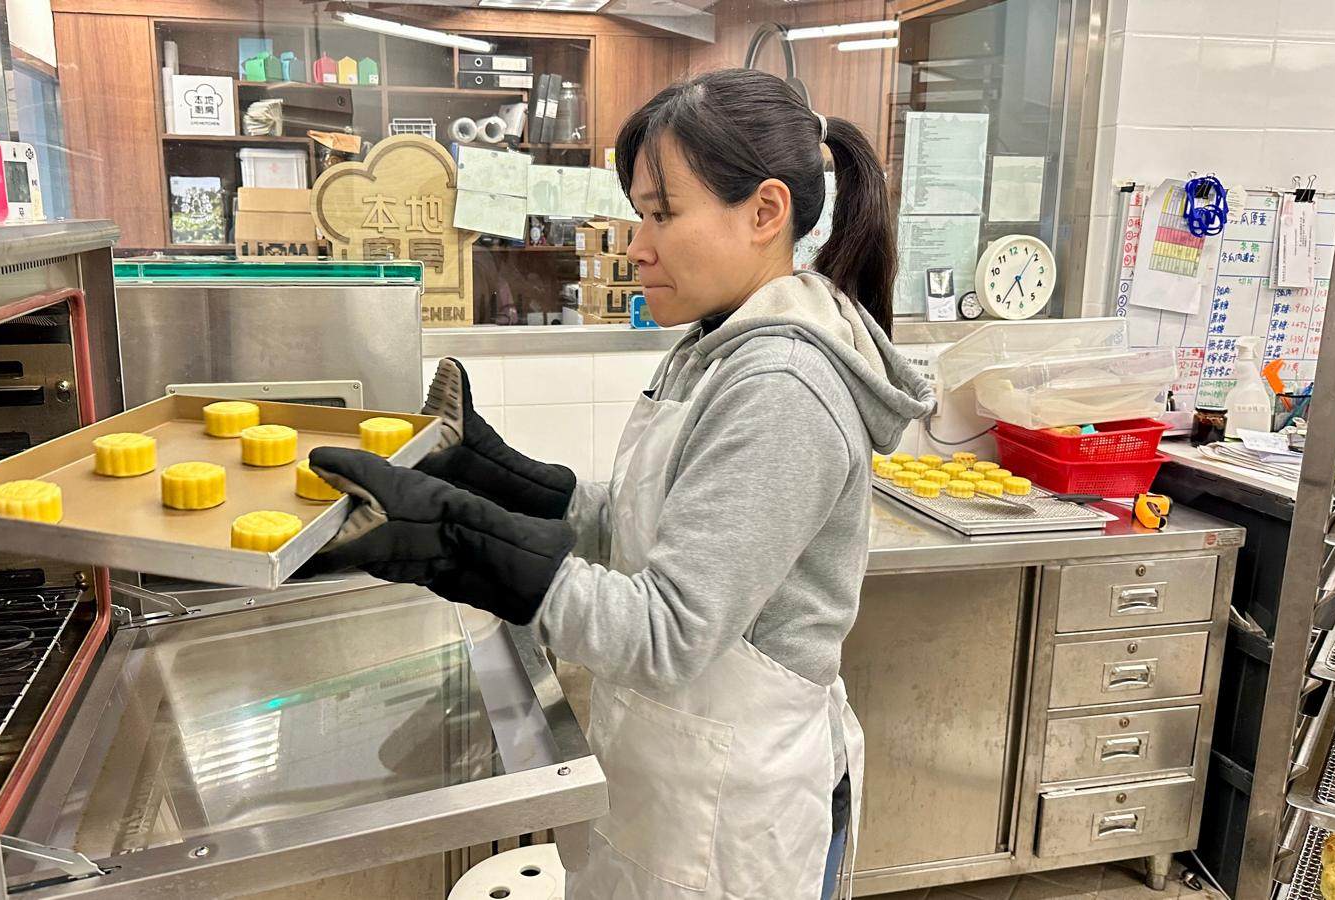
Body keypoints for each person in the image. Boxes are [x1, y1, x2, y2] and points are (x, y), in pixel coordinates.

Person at [304, 68, 935, 899]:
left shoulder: (783, 385)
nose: (636, 243)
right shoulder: (712, 349)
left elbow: (670, 630)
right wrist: (506, 480)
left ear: (765, 212)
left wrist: (460, 544)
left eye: (662, 213)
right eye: (641, 211)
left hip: (733, 814)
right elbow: (645, 521)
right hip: (674, 772)